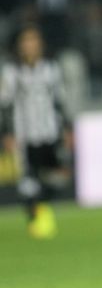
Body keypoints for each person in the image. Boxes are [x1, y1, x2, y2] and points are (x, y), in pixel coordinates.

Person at [0, 25, 73, 239]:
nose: (30, 46)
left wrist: (67, 128)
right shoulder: (11, 71)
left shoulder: (51, 68)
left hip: (49, 132)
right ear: (20, 46)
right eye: (26, 41)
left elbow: (59, 100)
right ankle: (36, 221)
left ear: (40, 44)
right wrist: (7, 133)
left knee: (60, 177)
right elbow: (5, 105)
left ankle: (40, 207)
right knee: (28, 182)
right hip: (25, 136)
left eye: (34, 41)